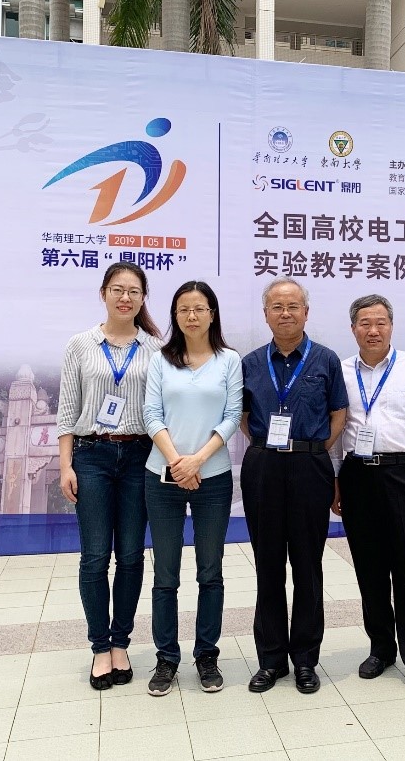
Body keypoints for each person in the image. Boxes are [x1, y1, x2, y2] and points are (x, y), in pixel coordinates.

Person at [332, 294, 405, 700]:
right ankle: (381, 648)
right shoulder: (341, 372)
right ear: (353, 328)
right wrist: (335, 478)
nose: (373, 330)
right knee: (369, 568)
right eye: (365, 323)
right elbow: (336, 431)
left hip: (404, 473)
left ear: (391, 326)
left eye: (380, 322)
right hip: (357, 475)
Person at [57, 261, 162, 690]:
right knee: (96, 556)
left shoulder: (156, 348)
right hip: (92, 456)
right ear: (103, 293)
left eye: (134, 291)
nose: (125, 297)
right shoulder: (80, 345)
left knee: (132, 556)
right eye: (118, 289)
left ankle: (121, 643)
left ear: (143, 298)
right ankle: (100, 647)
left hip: (140, 456)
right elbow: (67, 409)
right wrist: (66, 465)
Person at [240, 277, 348, 694]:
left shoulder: (325, 359)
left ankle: (305, 659)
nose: (285, 313)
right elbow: (244, 417)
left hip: (309, 466)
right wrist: (270, 447)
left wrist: (314, 450)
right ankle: (271, 660)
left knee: (307, 566)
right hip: (264, 466)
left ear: (306, 312)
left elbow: (338, 413)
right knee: (267, 565)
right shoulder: (250, 363)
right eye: (277, 306)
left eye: (293, 306)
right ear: (266, 314)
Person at [142, 281, 242, 696]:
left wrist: (198, 460)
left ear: (212, 314)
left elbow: (233, 414)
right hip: (162, 476)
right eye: (183, 309)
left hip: (212, 477)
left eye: (199, 308)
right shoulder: (160, 360)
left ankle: (206, 655)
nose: (191, 316)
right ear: (175, 315)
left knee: (210, 571)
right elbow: (151, 413)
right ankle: (167, 657)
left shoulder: (228, 360)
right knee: (165, 574)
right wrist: (177, 462)